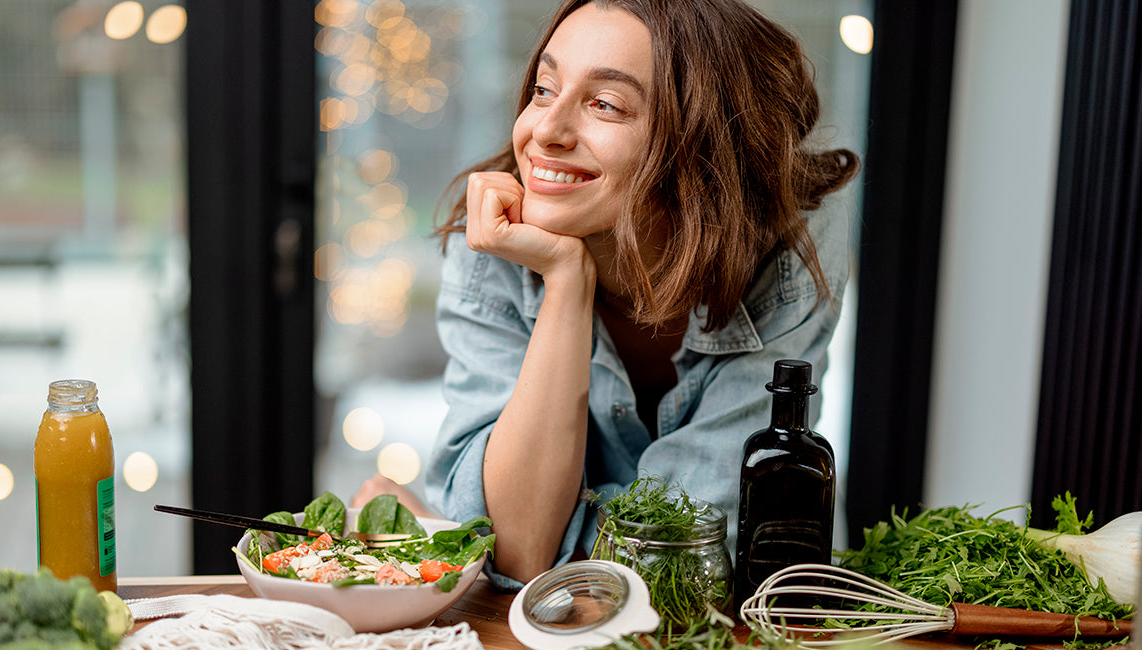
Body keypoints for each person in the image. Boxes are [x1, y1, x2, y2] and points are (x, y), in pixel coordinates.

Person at [353, 0, 859, 588]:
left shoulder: (789, 250)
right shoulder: (495, 237)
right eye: (544, 89)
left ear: (705, 146)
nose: (545, 130)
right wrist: (566, 281)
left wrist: (473, 535)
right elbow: (518, 549)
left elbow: (692, 561)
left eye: (605, 104)